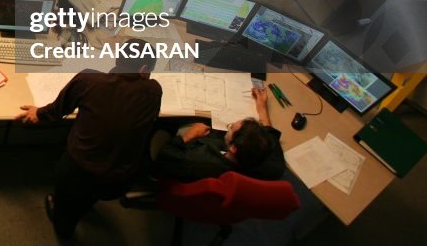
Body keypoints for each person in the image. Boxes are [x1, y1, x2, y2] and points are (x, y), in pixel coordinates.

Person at [15, 39, 162, 239]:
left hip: (78, 172)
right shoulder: (154, 91)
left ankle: (64, 227)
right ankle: (84, 205)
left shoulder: (89, 79)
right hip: (120, 178)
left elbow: (57, 111)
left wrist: (38, 113)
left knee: (67, 209)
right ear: (144, 69)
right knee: (89, 195)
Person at [153, 87, 284, 182]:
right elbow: (268, 134)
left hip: (179, 162)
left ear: (233, 148)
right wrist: (262, 107)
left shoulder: (197, 160)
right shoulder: (270, 165)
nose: (230, 126)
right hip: (214, 147)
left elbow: (164, 156)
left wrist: (189, 135)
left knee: (167, 121)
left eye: (231, 128)